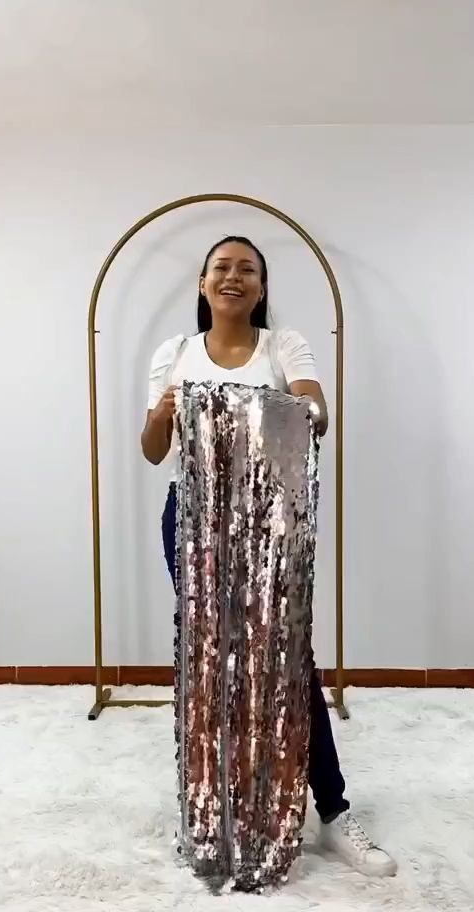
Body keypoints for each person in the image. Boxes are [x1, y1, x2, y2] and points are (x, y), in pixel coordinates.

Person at [141, 236, 397, 878]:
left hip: (269, 523)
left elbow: (317, 414)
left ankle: (332, 810)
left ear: (260, 287)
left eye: (247, 270)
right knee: (211, 660)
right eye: (221, 268)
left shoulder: (284, 346)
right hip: (193, 519)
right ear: (202, 284)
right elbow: (151, 451)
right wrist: (169, 411)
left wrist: (269, 409)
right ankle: (222, 810)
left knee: (286, 661)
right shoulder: (173, 354)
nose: (233, 277)